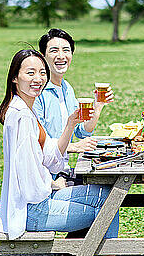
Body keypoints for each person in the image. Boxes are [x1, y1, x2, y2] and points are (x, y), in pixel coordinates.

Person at [0, 49, 119, 256]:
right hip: (33, 209)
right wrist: (52, 184)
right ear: (15, 78)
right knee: (107, 210)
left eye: (42, 73)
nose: (38, 79)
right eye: (30, 73)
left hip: (39, 200)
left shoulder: (22, 109)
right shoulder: (22, 116)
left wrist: (71, 124)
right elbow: (28, 173)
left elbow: (48, 153)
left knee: (109, 196)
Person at [34, 28, 114, 187]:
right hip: (47, 177)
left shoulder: (66, 88)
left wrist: (98, 107)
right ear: (43, 56)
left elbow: (82, 131)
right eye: (54, 50)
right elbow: (38, 144)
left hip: (63, 170)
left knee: (108, 188)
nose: (61, 56)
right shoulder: (37, 92)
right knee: (104, 195)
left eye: (66, 50)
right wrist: (75, 147)